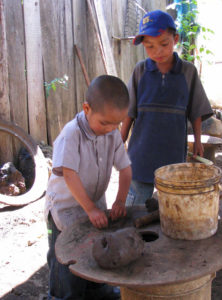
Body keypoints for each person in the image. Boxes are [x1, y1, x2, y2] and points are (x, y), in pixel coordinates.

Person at [45, 75, 132, 300]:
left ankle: (96, 291)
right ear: (86, 108)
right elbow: (69, 174)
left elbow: (125, 169)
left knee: (95, 252)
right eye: (105, 123)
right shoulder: (71, 134)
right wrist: (90, 209)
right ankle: (63, 296)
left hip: (94, 205)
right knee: (66, 260)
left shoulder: (112, 133)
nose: (111, 129)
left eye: (117, 124)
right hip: (64, 211)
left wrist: (120, 200)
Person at [121, 10, 213, 206]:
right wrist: (119, 141)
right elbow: (129, 112)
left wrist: (197, 140)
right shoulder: (140, 71)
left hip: (172, 152)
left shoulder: (188, 72)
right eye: (149, 46)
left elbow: (195, 109)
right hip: (141, 152)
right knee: (136, 203)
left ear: (176, 39)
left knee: (172, 204)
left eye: (164, 44)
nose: (157, 52)